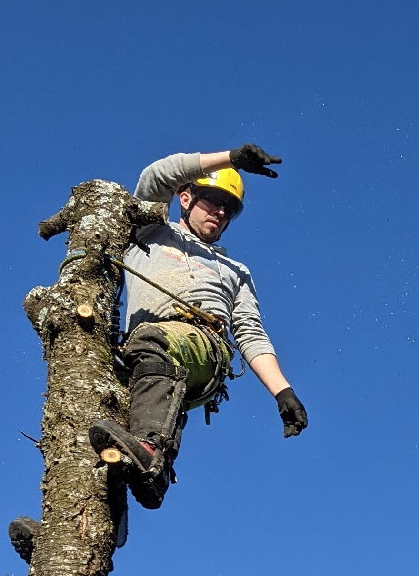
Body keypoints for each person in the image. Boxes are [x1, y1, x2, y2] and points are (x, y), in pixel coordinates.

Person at [87, 143, 309, 510]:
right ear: (185, 197)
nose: (221, 212)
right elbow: (155, 175)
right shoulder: (150, 232)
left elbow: (250, 332)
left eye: (230, 209)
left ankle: (151, 449)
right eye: (212, 200)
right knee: (103, 422)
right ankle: (75, 522)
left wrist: (282, 391)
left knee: (152, 343)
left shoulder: (236, 271)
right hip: (144, 360)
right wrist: (231, 159)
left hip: (201, 346)